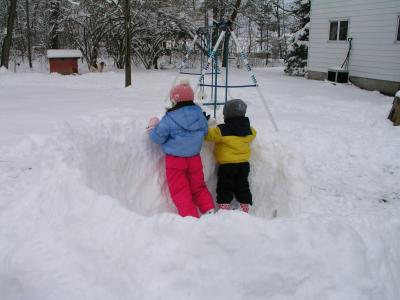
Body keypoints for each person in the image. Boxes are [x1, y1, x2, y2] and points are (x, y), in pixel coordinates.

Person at [147, 80, 215, 218]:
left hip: (175, 161)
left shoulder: (169, 118)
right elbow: (205, 132)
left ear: (174, 100)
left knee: (180, 190)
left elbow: (157, 138)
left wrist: (152, 127)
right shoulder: (199, 115)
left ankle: (190, 218)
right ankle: (209, 210)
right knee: (199, 187)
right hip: (194, 159)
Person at [205, 99, 256, 213]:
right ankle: (244, 207)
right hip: (243, 164)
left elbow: (208, 136)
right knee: (242, 186)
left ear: (226, 115)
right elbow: (254, 133)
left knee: (225, 186)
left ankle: (224, 208)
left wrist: (204, 124)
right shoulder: (248, 129)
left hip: (227, 166)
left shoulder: (222, 130)